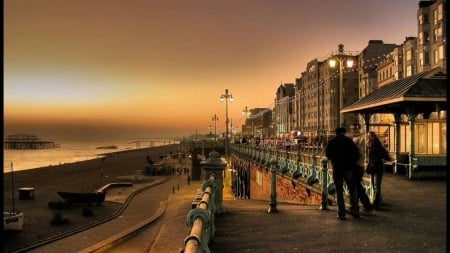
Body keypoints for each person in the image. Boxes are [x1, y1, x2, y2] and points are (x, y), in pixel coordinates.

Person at [325, 127, 360, 220]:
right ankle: (355, 210)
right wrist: (351, 162)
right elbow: (357, 154)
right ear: (344, 133)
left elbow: (327, 155)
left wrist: (334, 160)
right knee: (352, 189)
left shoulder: (331, 142)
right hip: (348, 168)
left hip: (337, 169)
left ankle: (341, 213)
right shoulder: (349, 141)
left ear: (336, 133)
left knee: (339, 191)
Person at [366, 131, 388, 210]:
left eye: (369, 136)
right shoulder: (373, 144)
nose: (368, 138)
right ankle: (378, 200)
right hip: (375, 166)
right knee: (374, 185)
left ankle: (377, 203)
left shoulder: (376, 145)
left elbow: (378, 155)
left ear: (372, 137)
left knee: (376, 185)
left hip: (377, 167)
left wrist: (372, 161)